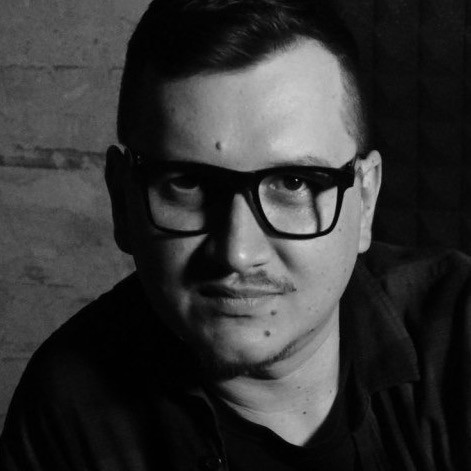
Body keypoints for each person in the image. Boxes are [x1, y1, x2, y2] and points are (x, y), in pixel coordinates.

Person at [1, 0, 470, 469]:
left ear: (364, 199)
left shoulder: (459, 334)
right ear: (122, 200)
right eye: (188, 183)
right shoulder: (67, 412)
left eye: (293, 183)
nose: (238, 253)